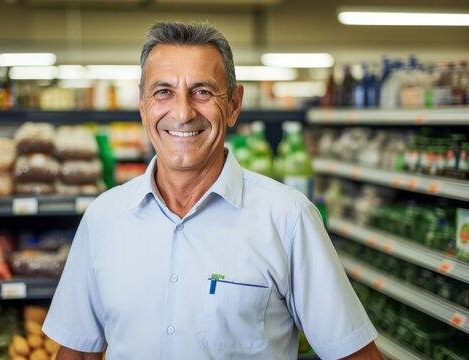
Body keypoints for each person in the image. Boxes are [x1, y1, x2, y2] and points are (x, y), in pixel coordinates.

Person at [42, 21, 383, 360]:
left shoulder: (288, 219)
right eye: (163, 92)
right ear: (143, 106)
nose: (182, 112)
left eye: (202, 91)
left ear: (234, 104)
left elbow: (354, 354)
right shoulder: (104, 217)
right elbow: (80, 353)